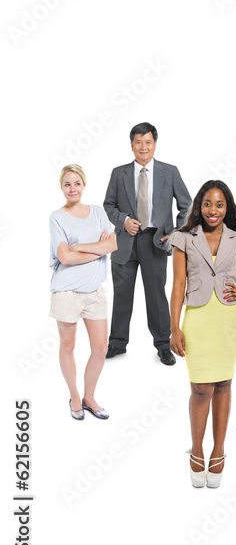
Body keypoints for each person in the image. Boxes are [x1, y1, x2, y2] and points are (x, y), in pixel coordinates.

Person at [169, 181, 236, 488]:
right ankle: (198, 448)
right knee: (200, 388)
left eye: (219, 204)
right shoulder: (183, 237)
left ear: (227, 206)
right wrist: (173, 327)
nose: (213, 210)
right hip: (198, 319)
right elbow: (177, 284)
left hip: (229, 321)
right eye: (207, 204)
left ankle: (218, 450)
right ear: (198, 207)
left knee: (224, 385)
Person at [103, 122, 192, 365]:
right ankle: (117, 343)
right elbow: (109, 205)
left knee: (156, 295)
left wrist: (175, 233)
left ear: (155, 144)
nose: (143, 147)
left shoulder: (169, 172)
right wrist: (123, 220)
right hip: (125, 241)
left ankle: (163, 344)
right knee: (122, 295)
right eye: (138, 142)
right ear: (131, 145)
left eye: (148, 142)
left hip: (156, 241)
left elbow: (187, 205)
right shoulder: (118, 173)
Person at [50, 165, 117, 420]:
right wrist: (97, 249)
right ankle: (75, 396)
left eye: (77, 183)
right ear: (61, 187)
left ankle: (89, 396)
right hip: (66, 291)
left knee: (100, 348)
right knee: (68, 345)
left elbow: (112, 244)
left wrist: (81, 247)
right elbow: (64, 257)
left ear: (84, 185)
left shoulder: (98, 212)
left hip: (94, 291)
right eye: (67, 184)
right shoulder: (56, 217)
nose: (72, 188)